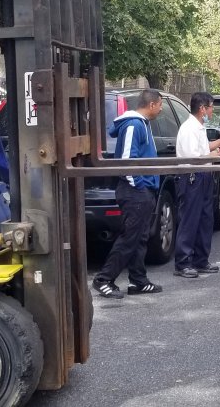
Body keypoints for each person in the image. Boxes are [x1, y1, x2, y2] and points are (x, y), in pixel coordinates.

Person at [92, 89, 166, 299]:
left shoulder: (141, 123)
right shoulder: (134, 125)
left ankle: (139, 281)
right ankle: (103, 279)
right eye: (160, 105)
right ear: (152, 104)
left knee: (139, 239)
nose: (161, 109)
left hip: (141, 190)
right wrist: (139, 186)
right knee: (129, 239)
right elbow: (127, 160)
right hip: (135, 192)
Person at [172, 92, 220, 278]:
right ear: (202, 109)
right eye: (211, 107)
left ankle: (200, 260)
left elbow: (205, 149)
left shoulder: (199, 127)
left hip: (204, 175)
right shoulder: (189, 128)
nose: (212, 111)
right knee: (190, 220)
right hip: (192, 177)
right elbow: (193, 158)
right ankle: (183, 263)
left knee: (205, 219)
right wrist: (210, 156)